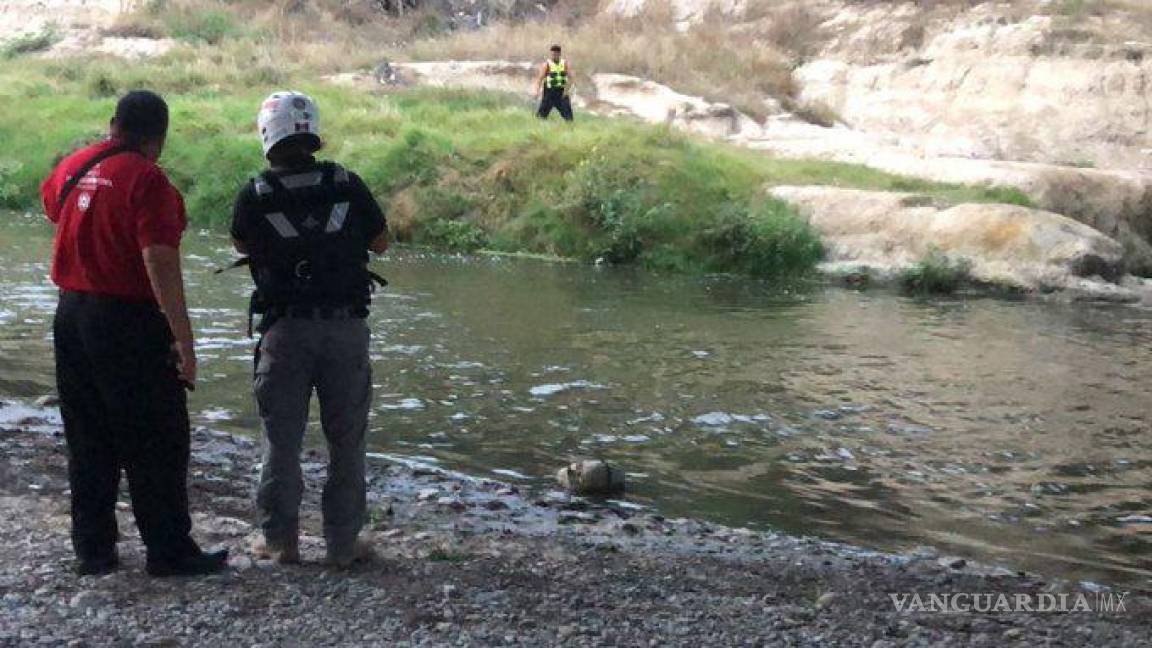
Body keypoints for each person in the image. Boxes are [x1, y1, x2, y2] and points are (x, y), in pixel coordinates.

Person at [42, 90, 229, 577]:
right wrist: (184, 343)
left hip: (71, 316)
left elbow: (55, 212)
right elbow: (159, 263)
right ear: (158, 139)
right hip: (126, 321)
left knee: (87, 435)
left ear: (113, 124)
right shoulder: (148, 181)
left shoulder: (72, 166)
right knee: (157, 436)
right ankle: (168, 550)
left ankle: (93, 550)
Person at [231, 91, 389, 567]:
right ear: (311, 132)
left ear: (267, 134)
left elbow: (241, 242)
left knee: (281, 440)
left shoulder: (255, 194)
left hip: (286, 331)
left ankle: (279, 542)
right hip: (345, 329)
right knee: (347, 440)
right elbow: (380, 243)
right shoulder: (346, 182)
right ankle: (343, 544)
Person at [535, 44, 574, 122]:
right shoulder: (547, 64)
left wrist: (566, 91)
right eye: (552, 54)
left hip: (561, 91)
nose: (553, 56)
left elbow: (571, 78)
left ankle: (570, 128)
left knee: (568, 116)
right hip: (550, 92)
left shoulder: (564, 63)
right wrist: (537, 91)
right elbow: (540, 79)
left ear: (559, 54)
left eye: (555, 54)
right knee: (541, 115)